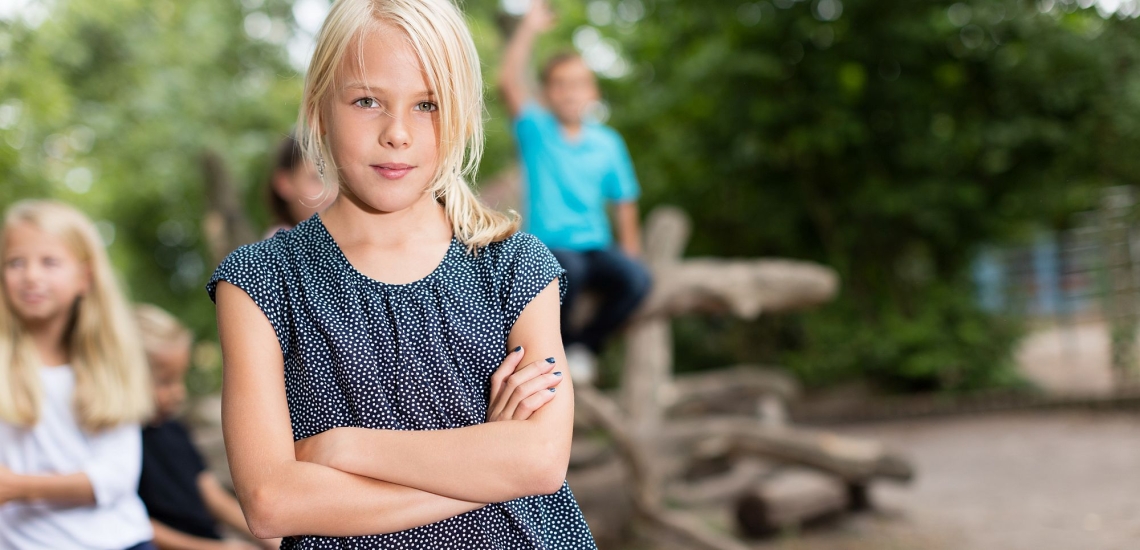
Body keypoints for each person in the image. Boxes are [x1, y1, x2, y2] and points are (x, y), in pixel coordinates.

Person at [207, 0, 595, 548]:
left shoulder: (516, 264)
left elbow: (541, 461)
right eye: (367, 101)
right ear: (319, 109)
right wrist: (490, 465)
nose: (398, 132)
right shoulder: (259, 280)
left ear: (459, 113)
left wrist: (346, 448)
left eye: (427, 105)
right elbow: (273, 503)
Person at [498, 0, 652, 383]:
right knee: (571, 270)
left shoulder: (607, 142)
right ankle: (556, 352)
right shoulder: (536, 131)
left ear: (593, 92)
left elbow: (625, 200)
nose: (570, 92)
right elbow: (508, 82)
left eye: (579, 84)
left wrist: (631, 253)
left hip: (595, 246)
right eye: (561, 85)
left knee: (639, 281)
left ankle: (583, 345)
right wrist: (529, 27)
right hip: (549, 246)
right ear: (548, 93)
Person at [0, 200, 156, 550]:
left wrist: (19, 487)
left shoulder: (109, 361)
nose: (31, 276)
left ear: (84, 278)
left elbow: (116, 477)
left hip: (121, 541)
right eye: (15, 262)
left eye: (50, 262)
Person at [133, 304, 280, 550]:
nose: (179, 392)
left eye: (180, 378)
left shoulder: (173, 431)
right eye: (165, 382)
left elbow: (213, 497)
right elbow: (137, 525)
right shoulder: (121, 443)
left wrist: (274, 540)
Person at [263, 134, 337, 238]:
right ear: (284, 183)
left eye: (339, 179)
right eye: (317, 179)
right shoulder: (277, 250)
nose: (332, 193)